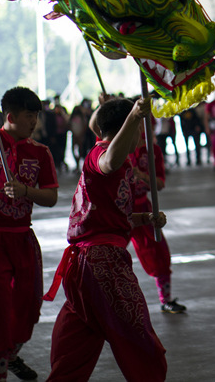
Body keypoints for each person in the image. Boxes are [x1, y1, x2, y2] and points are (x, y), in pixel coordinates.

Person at [43, 97, 168, 381]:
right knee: (142, 346)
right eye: (138, 127)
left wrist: (145, 219)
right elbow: (109, 161)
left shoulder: (119, 163)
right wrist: (134, 116)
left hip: (84, 268)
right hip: (103, 265)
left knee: (74, 351)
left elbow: (114, 218)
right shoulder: (100, 156)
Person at [0, 43, 59, 382]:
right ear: (10, 116)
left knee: (27, 309)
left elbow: (50, 197)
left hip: (22, 238)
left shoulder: (41, 152)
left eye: (37, 115)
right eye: (28, 116)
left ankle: (10, 355)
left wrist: (26, 191)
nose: (34, 122)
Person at [130, 124, 187, 315]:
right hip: (118, 211)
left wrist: (142, 176)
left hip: (144, 209)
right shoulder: (115, 147)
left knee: (159, 252)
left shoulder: (153, 151)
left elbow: (160, 184)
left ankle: (166, 299)